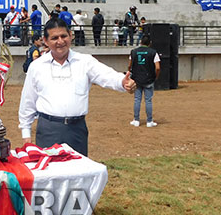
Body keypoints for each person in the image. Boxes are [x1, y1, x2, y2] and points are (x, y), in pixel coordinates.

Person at [18, 18, 136, 156]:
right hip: (48, 130)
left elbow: (106, 75)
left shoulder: (85, 61)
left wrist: (122, 82)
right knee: (49, 169)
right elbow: (28, 100)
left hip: (77, 130)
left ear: (71, 35)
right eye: (54, 38)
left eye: (64, 36)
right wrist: (26, 133)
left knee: (79, 168)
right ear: (46, 40)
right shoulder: (37, 66)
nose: (60, 41)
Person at [128, 34, 160, 127]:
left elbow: (129, 65)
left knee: (137, 99)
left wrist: (131, 74)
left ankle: (136, 120)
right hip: (149, 79)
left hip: (137, 79)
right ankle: (149, 121)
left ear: (141, 42)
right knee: (148, 100)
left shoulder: (133, 52)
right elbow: (157, 67)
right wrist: (156, 76)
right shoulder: (153, 52)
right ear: (150, 43)